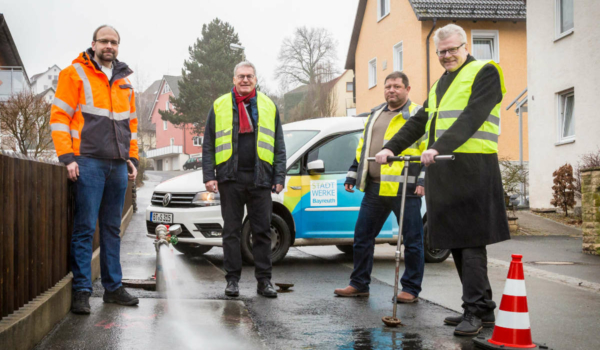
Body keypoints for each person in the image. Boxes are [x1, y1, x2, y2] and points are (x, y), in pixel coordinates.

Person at [375, 24, 510, 336]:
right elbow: (420, 121)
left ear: (465, 45)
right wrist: (389, 147)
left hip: (474, 167)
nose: (447, 55)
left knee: (472, 241)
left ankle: (474, 311)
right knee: (458, 242)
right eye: (442, 52)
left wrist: (438, 147)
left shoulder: (486, 72)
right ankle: (482, 310)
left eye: (452, 49)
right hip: (446, 169)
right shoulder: (440, 85)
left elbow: (473, 116)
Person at [50, 25, 140, 314]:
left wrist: (132, 158)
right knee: (85, 228)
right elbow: (59, 116)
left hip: (116, 165)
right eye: (104, 41)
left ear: (118, 46)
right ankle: (82, 291)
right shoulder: (74, 73)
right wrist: (67, 156)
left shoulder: (125, 80)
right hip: (86, 161)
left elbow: (132, 125)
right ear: (93, 43)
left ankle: (113, 288)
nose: (109, 46)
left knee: (112, 229)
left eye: (114, 42)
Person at [334, 72, 426, 303]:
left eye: (397, 86)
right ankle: (359, 284)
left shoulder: (416, 114)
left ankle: (411, 289)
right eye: (388, 86)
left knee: (412, 239)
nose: (391, 90)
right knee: (362, 236)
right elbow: (363, 148)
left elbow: (427, 149)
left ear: (408, 88)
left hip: (404, 187)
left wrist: (424, 180)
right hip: (375, 186)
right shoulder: (375, 113)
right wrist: (353, 173)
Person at [202, 61, 286, 298]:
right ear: (234, 80)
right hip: (230, 179)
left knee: (262, 232)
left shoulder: (269, 106)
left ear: (256, 79)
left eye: (249, 76)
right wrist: (209, 175)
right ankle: (232, 281)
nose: (245, 80)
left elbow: (279, 144)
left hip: (260, 179)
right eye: (241, 76)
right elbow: (208, 143)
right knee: (231, 232)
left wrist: (279, 175)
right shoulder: (219, 106)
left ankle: (264, 282)